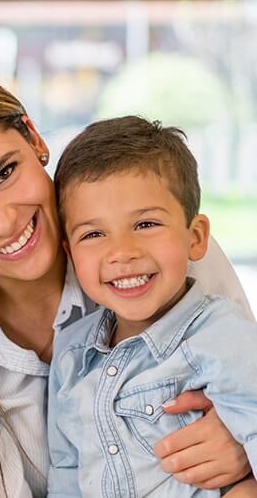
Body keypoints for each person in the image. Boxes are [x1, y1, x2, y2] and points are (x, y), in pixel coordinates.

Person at [0, 60, 255, 497]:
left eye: (4, 173)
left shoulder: (165, 252)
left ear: (34, 137)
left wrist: (241, 452)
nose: (3, 223)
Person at [46, 116, 257, 497]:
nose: (122, 252)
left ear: (195, 237)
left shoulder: (223, 334)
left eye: (145, 224)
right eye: (93, 234)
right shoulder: (71, 354)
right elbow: (66, 470)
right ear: (70, 254)